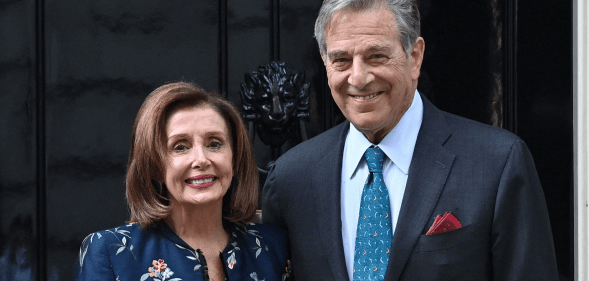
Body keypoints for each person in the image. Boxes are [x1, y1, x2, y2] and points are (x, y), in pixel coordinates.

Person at [262, 0, 558, 280]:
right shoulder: (291, 178)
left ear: (414, 57)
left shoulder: (497, 163)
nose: (358, 77)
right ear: (325, 62)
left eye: (376, 56)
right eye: (341, 60)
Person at [76, 82, 291, 281]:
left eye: (214, 143)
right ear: (154, 166)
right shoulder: (109, 252)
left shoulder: (274, 246)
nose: (201, 160)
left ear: (234, 158)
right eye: (180, 146)